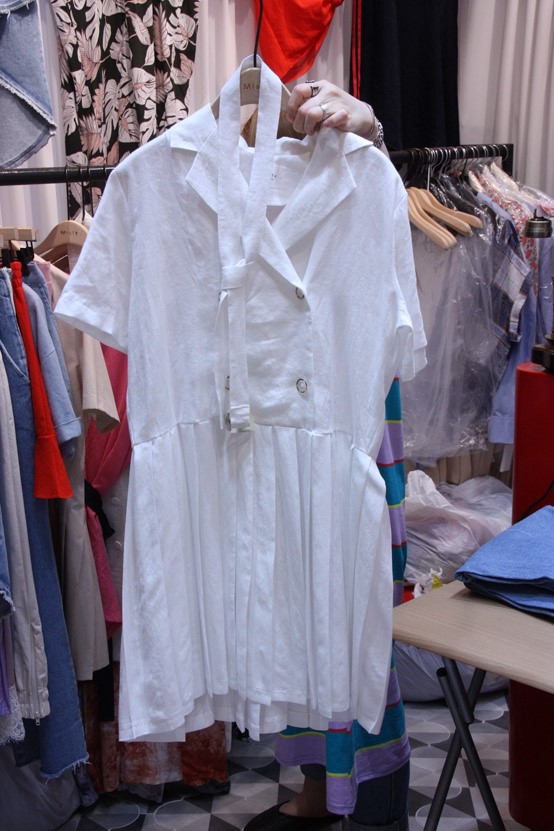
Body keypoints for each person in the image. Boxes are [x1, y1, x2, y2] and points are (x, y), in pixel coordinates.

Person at [243, 81, 410, 831]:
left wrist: (370, 135)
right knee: (299, 617)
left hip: (352, 432)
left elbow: (385, 323)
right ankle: (321, 786)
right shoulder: (243, 202)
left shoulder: (362, 185)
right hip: (279, 446)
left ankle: (376, 805)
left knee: (356, 617)